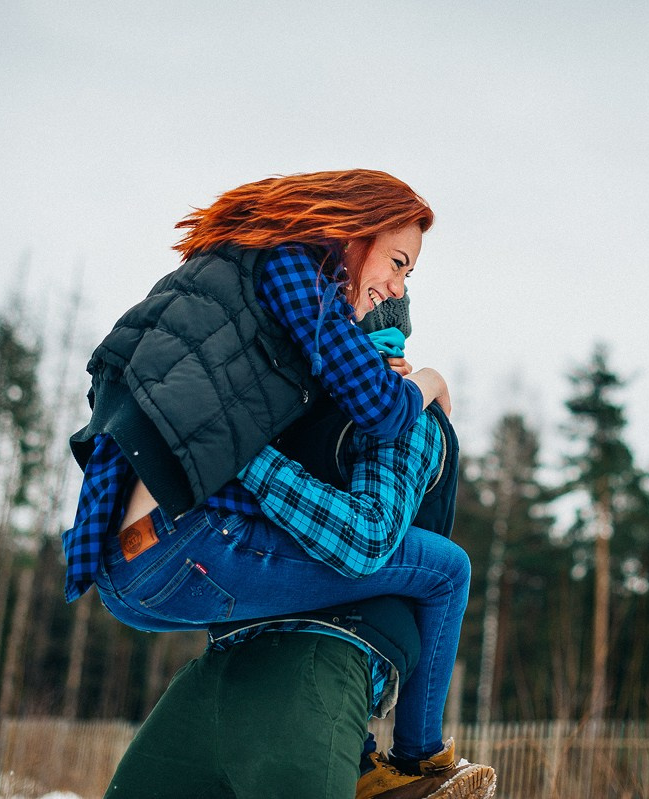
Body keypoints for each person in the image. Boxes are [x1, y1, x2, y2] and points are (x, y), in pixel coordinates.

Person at [62, 172, 489, 795]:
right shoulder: (292, 278)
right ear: (353, 230)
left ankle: (378, 753)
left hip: (119, 565)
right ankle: (417, 762)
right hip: (187, 552)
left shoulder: (219, 295)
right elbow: (377, 435)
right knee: (446, 568)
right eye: (396, 263)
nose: (393, 285)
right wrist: (426, 383)